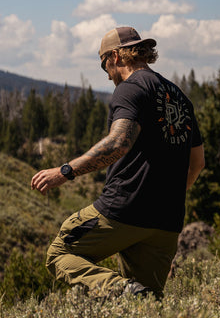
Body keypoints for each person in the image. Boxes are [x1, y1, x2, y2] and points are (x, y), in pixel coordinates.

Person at [31, 26, 205, 299]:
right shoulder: (179, 95)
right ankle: (132, 294)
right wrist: (169, 196)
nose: (107, 74)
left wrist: (65, 171)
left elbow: (118, 143)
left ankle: (121, 291)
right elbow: (197, 163)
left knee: (60, 254)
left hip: (124, 210)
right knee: (146, 304)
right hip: (167, 222)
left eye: (104, 66)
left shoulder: (130, 87)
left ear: (115, 56)